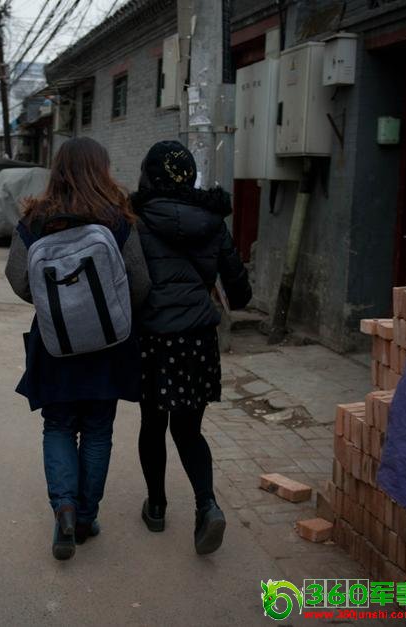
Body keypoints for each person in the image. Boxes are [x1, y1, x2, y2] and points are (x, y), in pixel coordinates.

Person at [5, 137, 150, 561]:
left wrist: (58, 307)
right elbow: (140, 283)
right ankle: (86, 517)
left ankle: (64, 509)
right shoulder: (118, 218)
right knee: (99, 430)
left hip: (56, 344)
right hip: (109, 344)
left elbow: (18, 277)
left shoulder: (35, 219)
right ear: (101, 170)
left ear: (58, 170)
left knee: (58, 426)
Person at [130, 140, 251, 555]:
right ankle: (207, 505)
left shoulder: (136, 220)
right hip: (198, 339)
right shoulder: (213, 221)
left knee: (152, 423)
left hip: (153, 339)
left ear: (149, 175)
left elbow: (130, 283)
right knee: (188, 429)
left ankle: (157, 508)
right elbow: (241, 292)